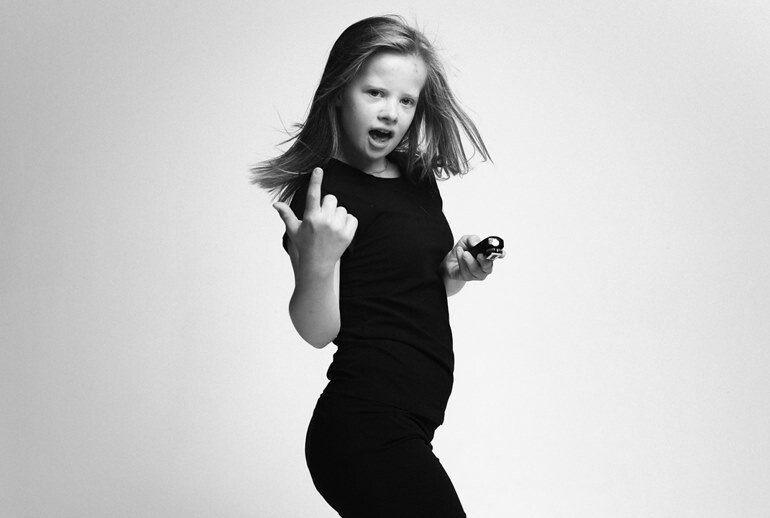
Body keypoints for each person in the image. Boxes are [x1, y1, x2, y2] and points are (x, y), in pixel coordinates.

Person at [253, 15, 501, 517]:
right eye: (375, 93)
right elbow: (317, 330)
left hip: (411, 423)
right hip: (362, 427)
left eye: (406, 100)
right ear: (339, 92)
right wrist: (319, 260)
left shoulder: (416, 179)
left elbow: (401, 290)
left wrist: (455, 270)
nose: (391, 112)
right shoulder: (323, 193)